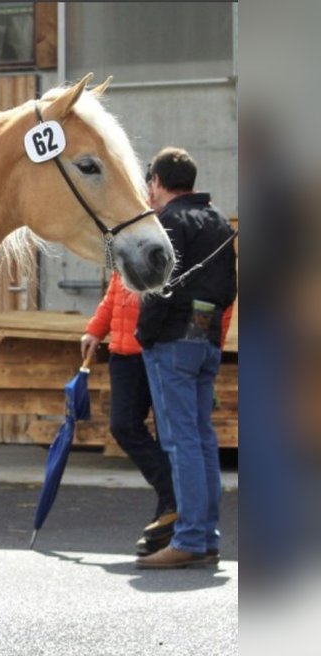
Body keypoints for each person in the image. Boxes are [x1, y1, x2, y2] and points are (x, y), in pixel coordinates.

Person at [134, 147, 237, 569]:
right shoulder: (216, 220)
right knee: (201, 438)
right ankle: (205, 533)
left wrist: (146, 333)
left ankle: (191, 537)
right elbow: (229, 285)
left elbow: (159, 284)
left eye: (150, 184)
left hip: (172, 341)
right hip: (205, 338)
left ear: (157, 182)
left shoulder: (168, 221)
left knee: (180, 442)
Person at [81, 271, 177, 556]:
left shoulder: (167, 235)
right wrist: (96, 329)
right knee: (123, 426)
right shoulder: (129, 235)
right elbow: (115, 291)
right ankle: (174, 496)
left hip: (157, 349)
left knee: (167, 437)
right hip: (123, 352)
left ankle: (164, 528)